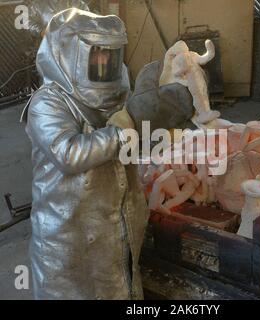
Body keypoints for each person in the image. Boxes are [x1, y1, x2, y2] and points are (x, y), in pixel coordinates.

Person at [21, 8, 194, 300]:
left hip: (113, 222)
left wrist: (157, 132)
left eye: (110, 56)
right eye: (96, 54)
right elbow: (67, 154)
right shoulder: (48, 103)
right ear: (68, 54)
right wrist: (124, 129)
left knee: (117, 286)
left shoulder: (115, 95)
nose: (105, 63)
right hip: (68, 232)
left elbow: (129, 149)